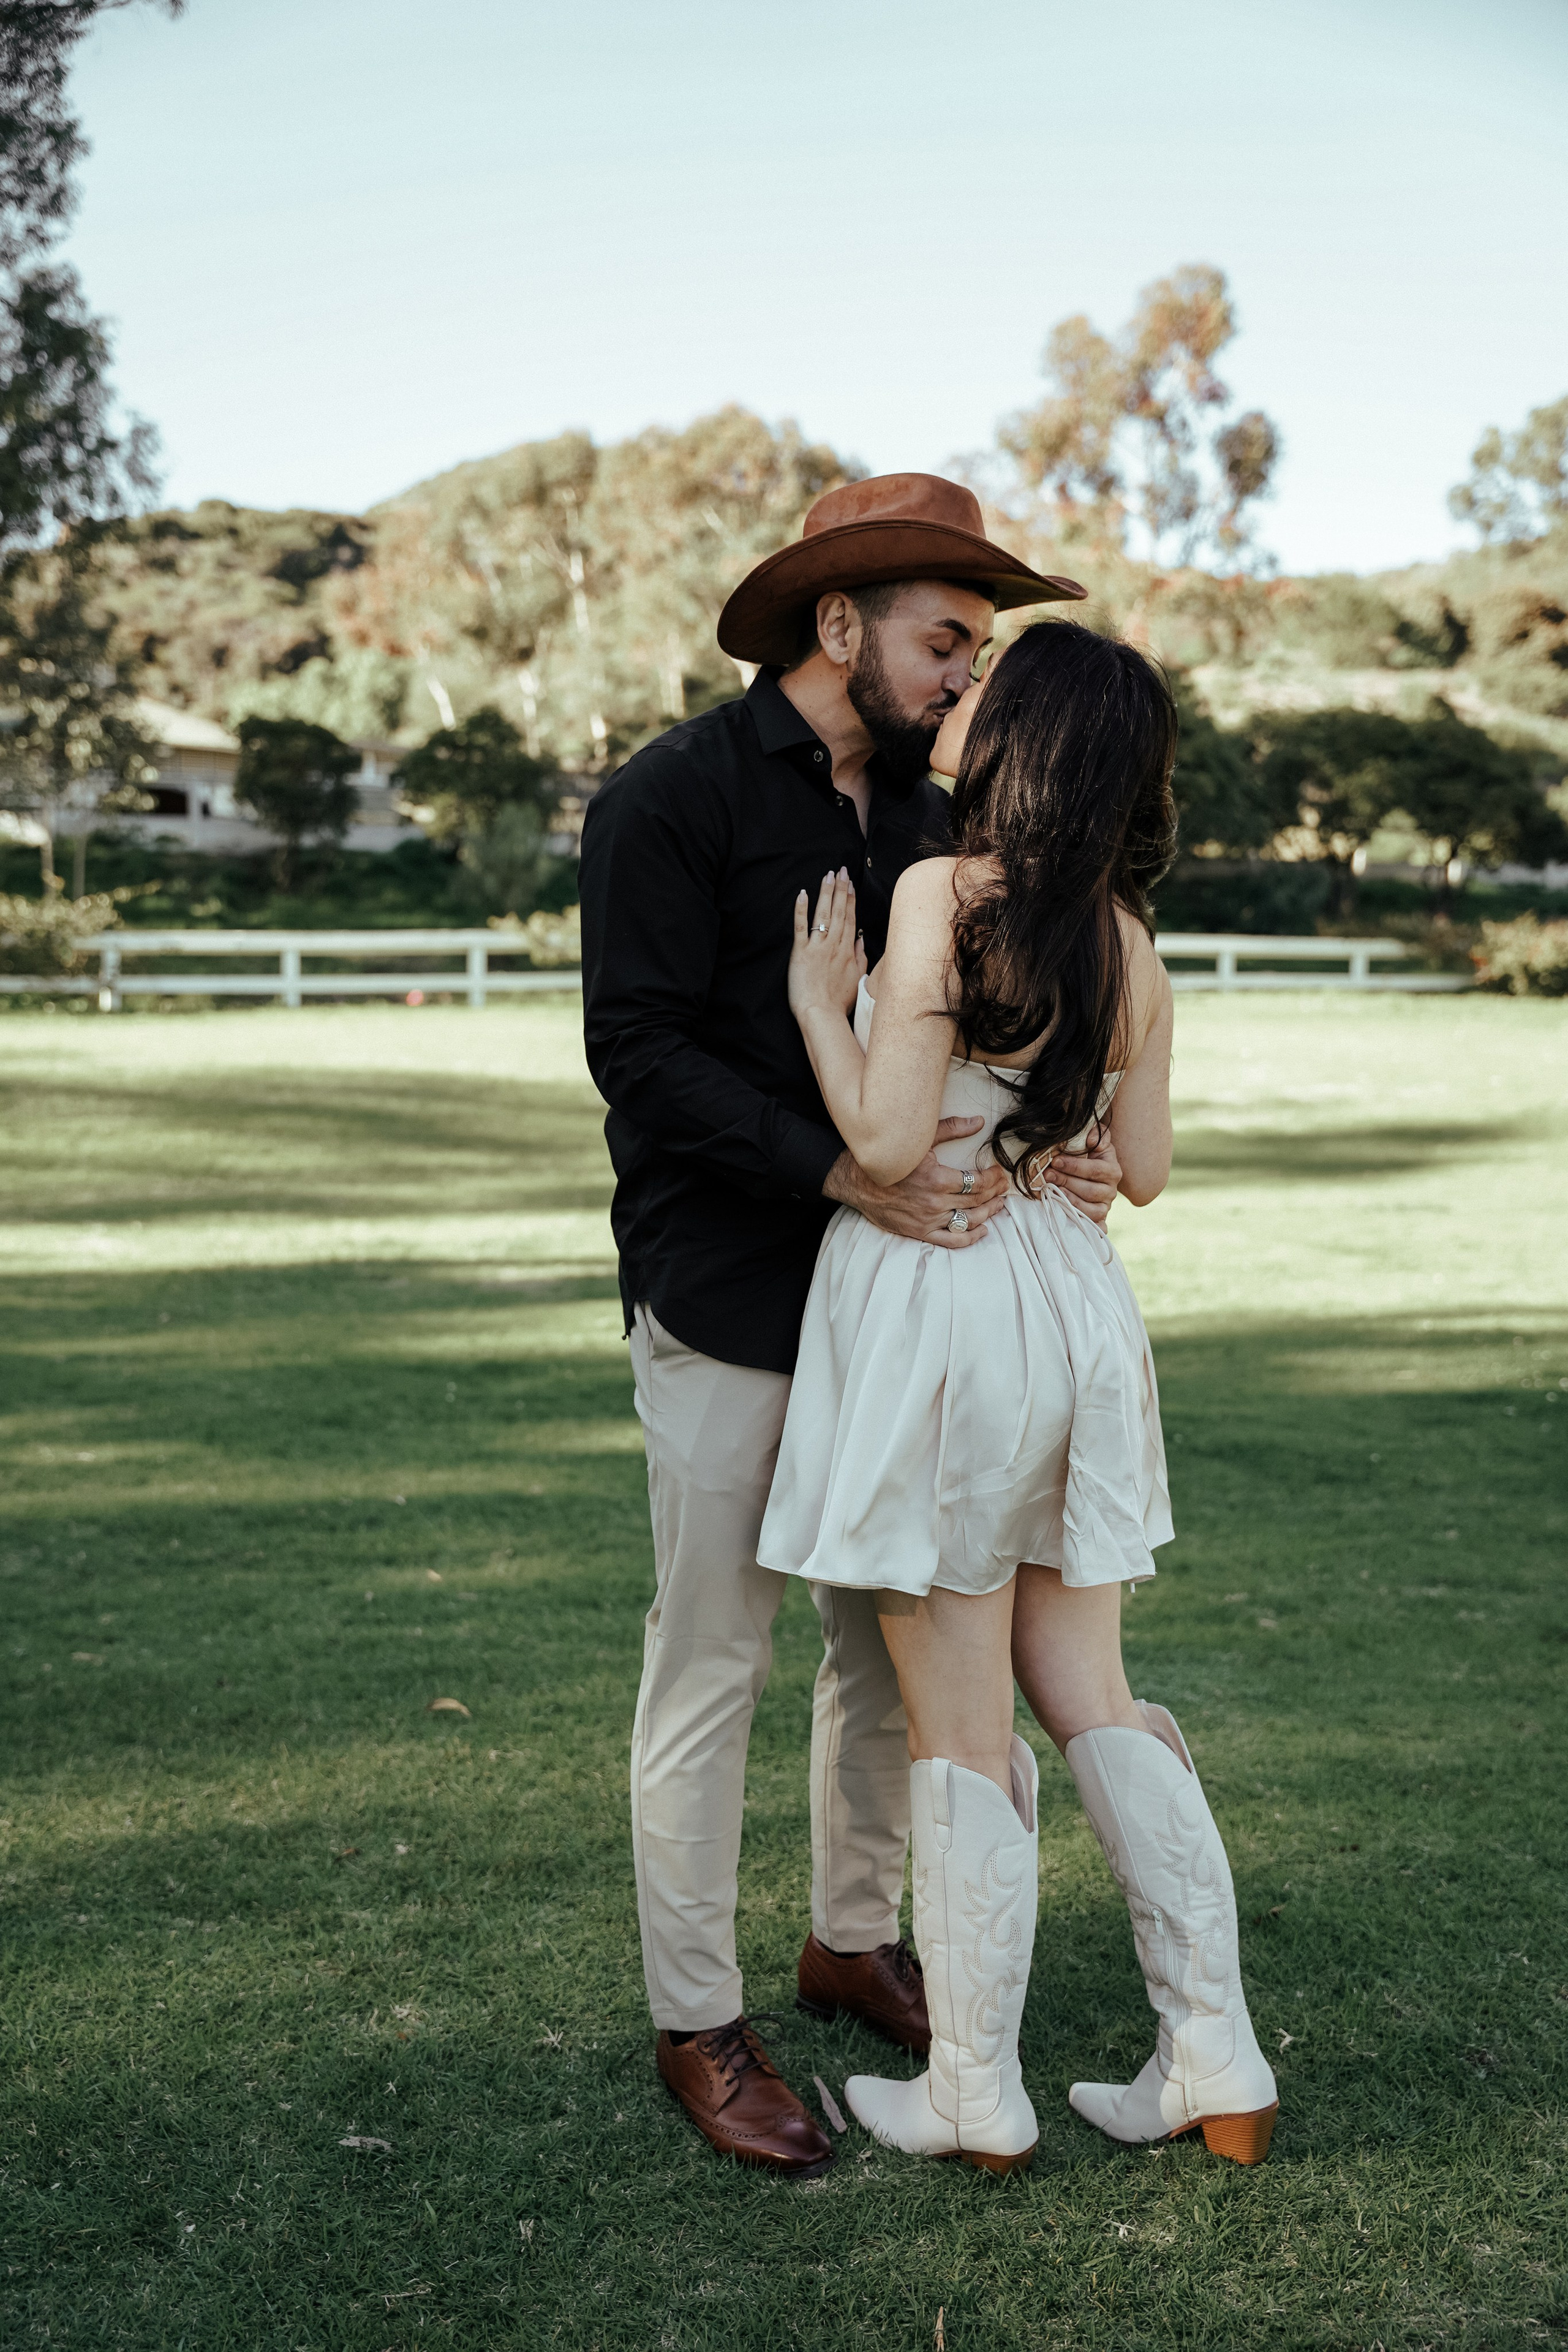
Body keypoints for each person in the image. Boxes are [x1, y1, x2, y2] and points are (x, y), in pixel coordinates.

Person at [578, 474, 1109, 2178]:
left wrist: (1066, 1139)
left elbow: (992, 1035)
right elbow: (641, 1057)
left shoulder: (941, 832)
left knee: (888, 1660)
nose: (967, 677)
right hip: (731, 1299)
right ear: (838, 625)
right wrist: (841, 1176)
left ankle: (850, 1939)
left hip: (914, 1312)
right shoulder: (668, 799)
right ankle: (699, 2016)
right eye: (947, 641)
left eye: (980, 649)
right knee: (713, 1657)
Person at [759, 619, 1279, 2173]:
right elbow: (1150, 1170)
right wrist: (1070, 1149)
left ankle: (971, 2091)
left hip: (946, 1311)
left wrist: (812, 1009)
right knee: (1094, 1694)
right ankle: (1214, 2052)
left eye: (985, 684)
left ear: (1027, 739)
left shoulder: (937, 895)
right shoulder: (1126, 942)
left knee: (960, 1716)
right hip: (1074, 1309)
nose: (959, 697)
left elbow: (884, 1140)